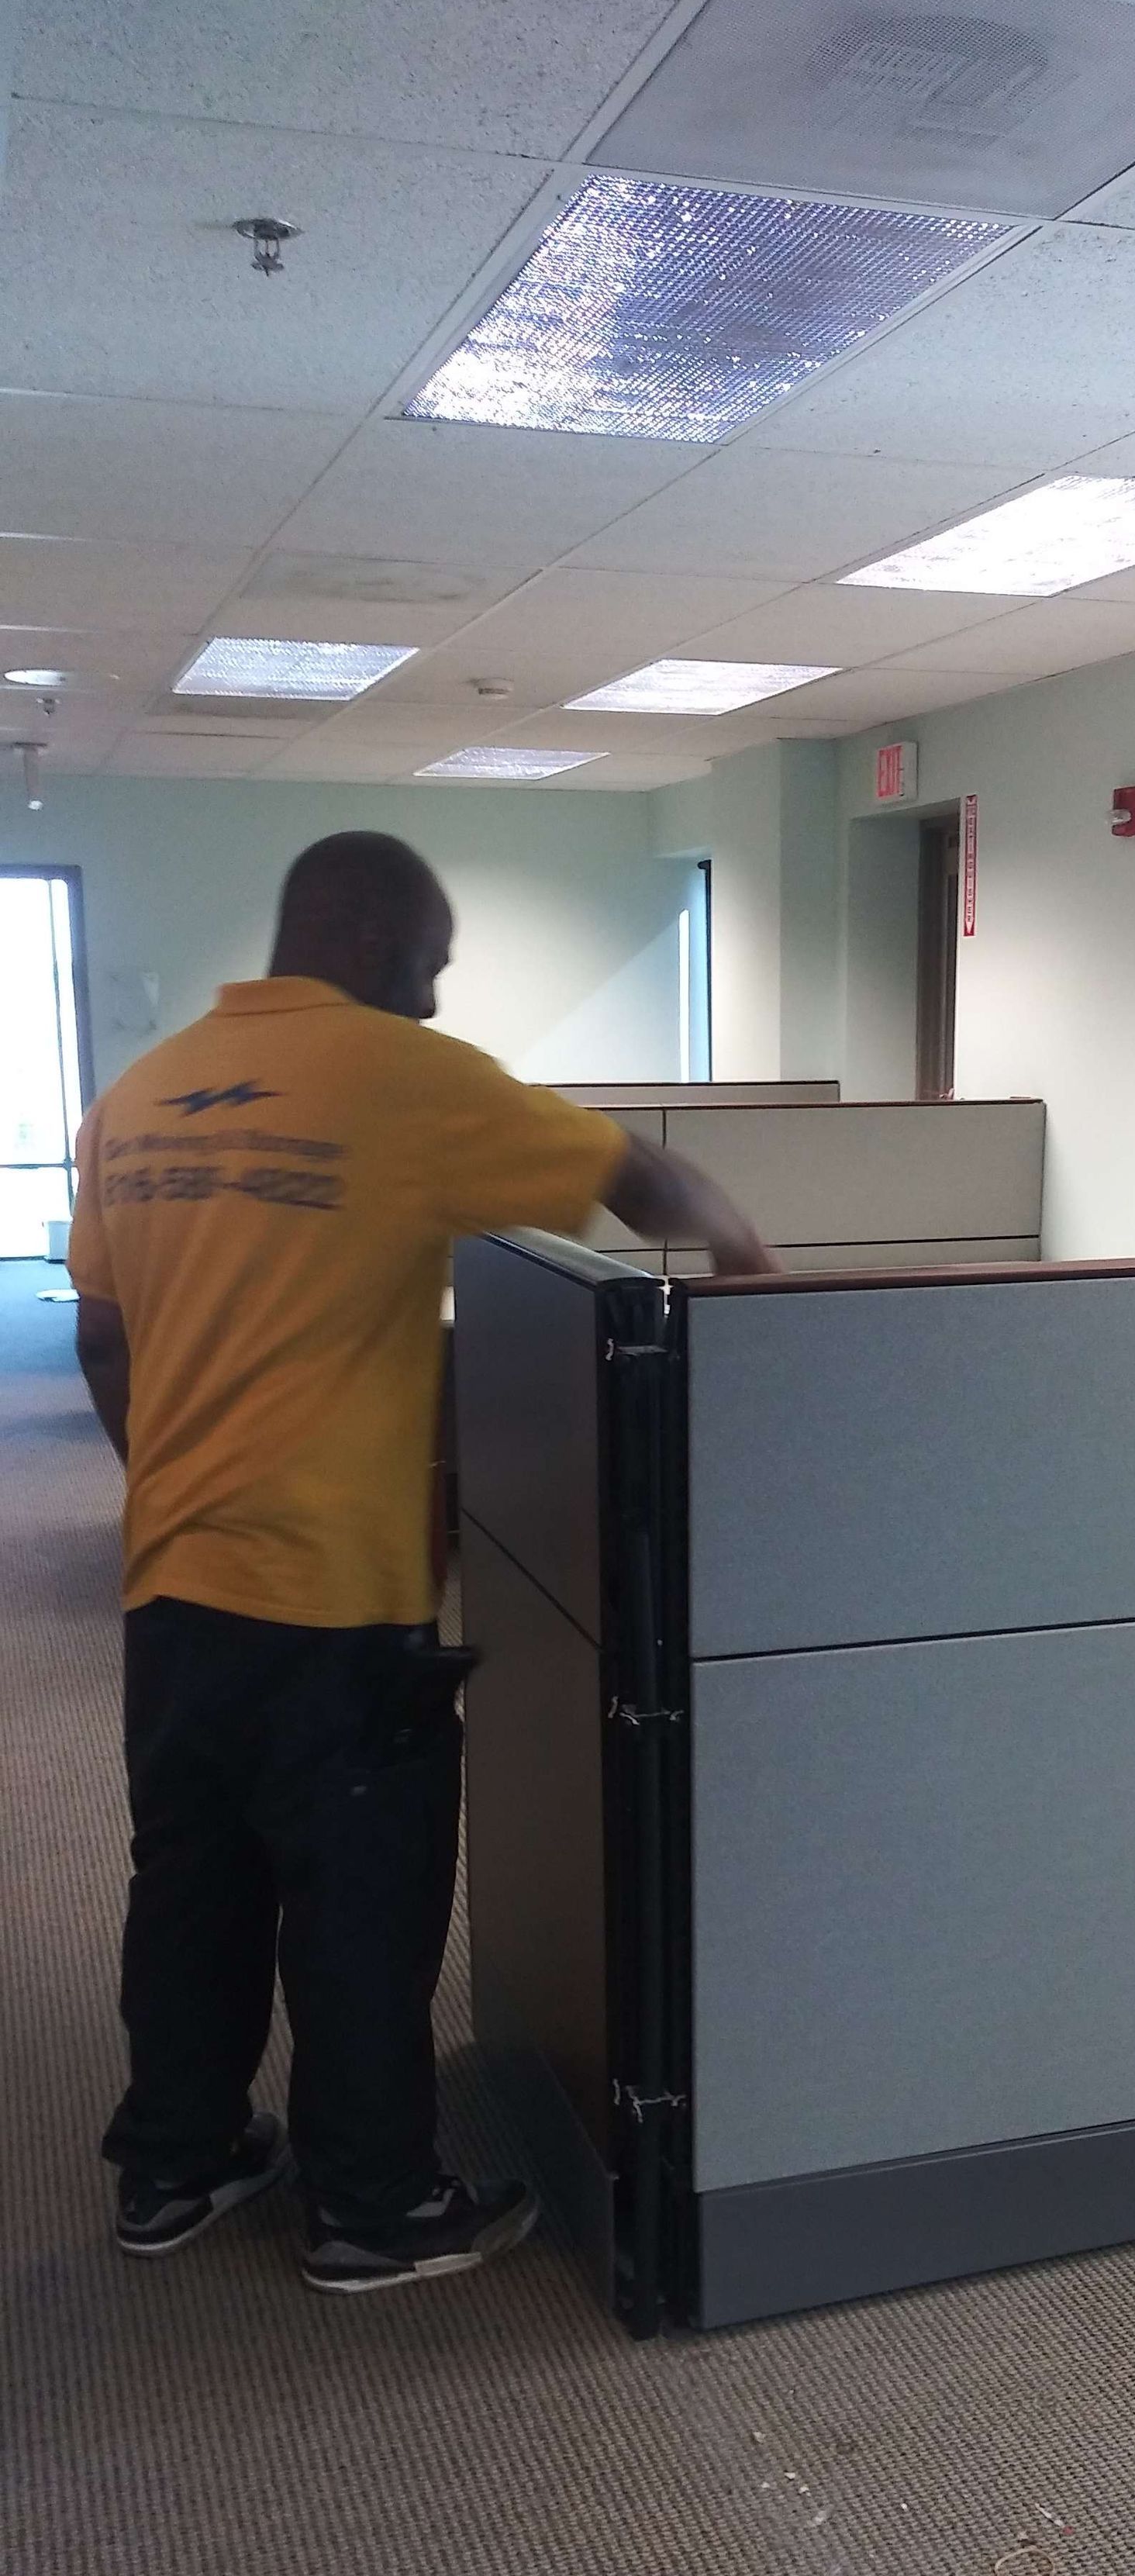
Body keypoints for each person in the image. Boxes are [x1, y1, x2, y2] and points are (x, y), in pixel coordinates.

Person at [68, 830, 771, 2297]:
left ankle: (177, 2162)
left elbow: (101, 1337)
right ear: (382, 943)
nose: (442, 1002)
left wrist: (182, 1498)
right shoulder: (405, 1077)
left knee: (189, 1880)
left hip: (173, 1588)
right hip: (332, 1592)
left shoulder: (133, 1100)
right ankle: (374, 2208)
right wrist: (758, 1281)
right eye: (435, 967)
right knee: (363, 1902)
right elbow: (636, 1177)